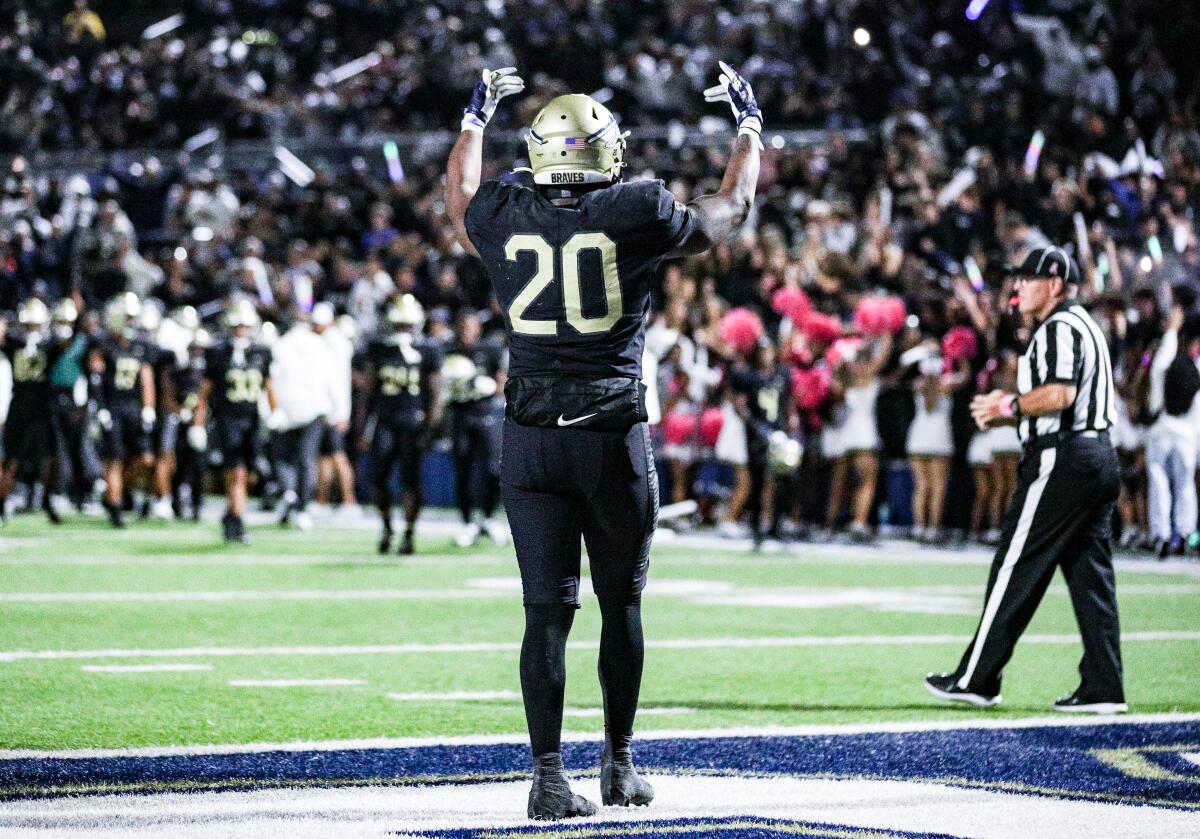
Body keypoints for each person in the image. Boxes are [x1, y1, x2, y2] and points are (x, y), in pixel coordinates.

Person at [445, 61, 761, 819]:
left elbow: (456, 198)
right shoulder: (637, 206)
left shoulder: (502, 209)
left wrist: (473, 119)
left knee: (545, 612)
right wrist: (750, 126)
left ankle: (549, 778)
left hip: (531, 436)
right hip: (612, 430)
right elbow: (733, 206)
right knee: (620, 603)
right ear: (604, 151)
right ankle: (618, 764)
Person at [926, 247, 1125, 714]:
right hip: (1097, 456)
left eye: (1026, 279)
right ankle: (1104, 685)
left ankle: (977, 677)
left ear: (1054, 284)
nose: (1017, 288)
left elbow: (1060, 393)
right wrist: (1013, 413)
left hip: (1065, 458)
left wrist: (1008, 407)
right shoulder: (1084, 325)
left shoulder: (1058, 327)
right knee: (1090, 578)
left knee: (1015, 564)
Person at [359, 295, 443, 555]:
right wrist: (362, 426)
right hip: (385, 421)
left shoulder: (428, 349)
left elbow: (436, 393)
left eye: (407, 324)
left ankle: (408, 533)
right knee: (378, 479)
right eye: (399, 324)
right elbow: (368, 390)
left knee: (411, 481)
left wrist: (431, 427)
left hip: (413, 423)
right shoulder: (379, 348)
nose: (403, 329)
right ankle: (386, 526)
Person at [191, 299, 279, 543]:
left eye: (244, 325)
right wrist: (198, 423)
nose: (240, 329)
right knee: (237, 473)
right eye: (237, 325)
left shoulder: (261, 353)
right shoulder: (218, 353)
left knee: (250, 474)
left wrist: (275, 410)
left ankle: (231, 513)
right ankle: (238, 522)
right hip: (227, 420)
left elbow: (268, 385)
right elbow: (205, 391)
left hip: (251, 421)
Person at [88, 293, 156, 529]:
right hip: (112, 407)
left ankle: (113, 491)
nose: (131, 321)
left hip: (133, 408)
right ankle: (115, 507)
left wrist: (148, 409)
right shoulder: (103, 344)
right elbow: (95, 377)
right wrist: (100, 408)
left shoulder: (139, 346)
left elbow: (146, 379)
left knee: (145, 459)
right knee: (114, 460)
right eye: (127, 317)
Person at [444, 310, 507, 547]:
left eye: (470, 327)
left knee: (493, 469)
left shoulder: (489, 349)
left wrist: (489, 387)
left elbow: (502, 380)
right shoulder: (449, 350)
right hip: (461, 412)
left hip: (487, 412)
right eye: (462, 327)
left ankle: (489, 518)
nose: (466, 332)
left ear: (477, 329)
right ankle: (467, 521)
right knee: (463, 468)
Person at [271, 310, 338, 532]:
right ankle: (301, 508)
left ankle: (290, 493)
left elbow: (271, 379)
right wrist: (336, 408)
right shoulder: (319, 345)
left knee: (282, 458)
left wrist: (272, 410)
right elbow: (332, 378)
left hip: (286, 408)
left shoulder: (280, 344)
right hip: (314, 407)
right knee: (305, 460)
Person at [1144, 302, 1199, 557]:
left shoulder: (1164, 365)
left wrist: (1171, 331)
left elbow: (1157, 366)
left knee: (1159, 483)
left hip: (1161, 429)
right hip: (1186, 433)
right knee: (1185, 484)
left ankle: (1163, 535)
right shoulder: (1194, 368)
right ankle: (1186, 532)